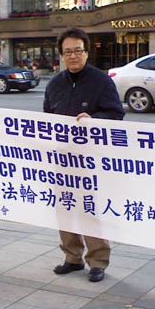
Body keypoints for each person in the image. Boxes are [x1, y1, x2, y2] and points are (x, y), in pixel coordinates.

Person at [43, 27, 125, 282]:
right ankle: (72, 257)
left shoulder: (102, 82)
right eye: (67, 52)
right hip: (62, 158)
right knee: (65, 206)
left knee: (90, 208)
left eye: (78, 51)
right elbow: (46, 119)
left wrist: (94, 119)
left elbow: (116, 114)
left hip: (90, 158)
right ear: (61, 55)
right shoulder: (55, 84)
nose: (73, 56)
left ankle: (98, 261)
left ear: (87, 52)